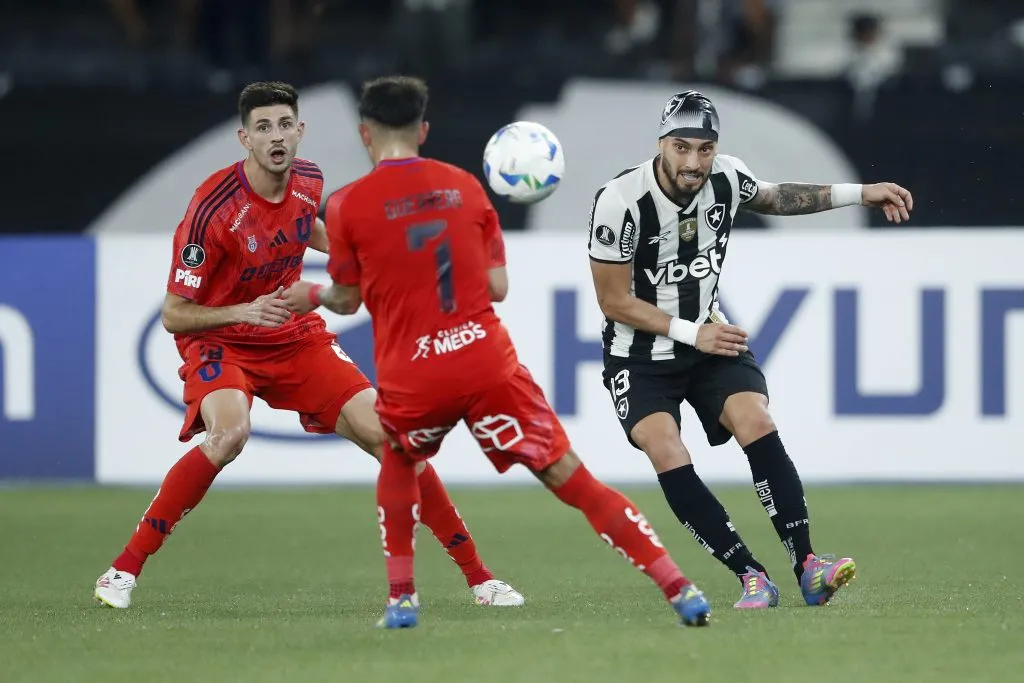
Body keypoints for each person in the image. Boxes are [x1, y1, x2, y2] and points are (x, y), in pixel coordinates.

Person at [282, 75, 712, 630]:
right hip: (485, 360)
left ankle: (402, 600)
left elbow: (344, 297)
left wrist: (308, 295)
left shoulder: (345, 206)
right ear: (424, 130)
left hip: (415, 370)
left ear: (366, 134)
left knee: (399, 458)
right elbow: (498, 287)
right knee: (572, 479)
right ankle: (678, 585)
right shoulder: (466, 186)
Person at [93, 81, 524, 610]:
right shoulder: (213, 207)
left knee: (395, 441)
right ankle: (123, 570)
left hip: (294, 339)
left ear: (300, 131)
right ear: (243, 138)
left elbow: (311, 230)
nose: (275, 137)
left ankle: (480, 578)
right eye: (262, 127)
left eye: (283, 125)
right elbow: (173, 314)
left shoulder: (308, 180)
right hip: (221, 339)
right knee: (229, 433)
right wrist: (244, 311)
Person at [587, 89, 913, 610]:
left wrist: (861, 192)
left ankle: (808, 565)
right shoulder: (620, 201)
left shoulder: (726, 177)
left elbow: (775, 196)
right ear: (661, 145)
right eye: (682, 148)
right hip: (639, 354)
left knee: (756, 420)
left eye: (704, 149)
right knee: (666, 449)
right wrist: (694, 333)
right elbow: (613, 301)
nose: (693, 162)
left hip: (708, 340)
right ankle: (749, 574)